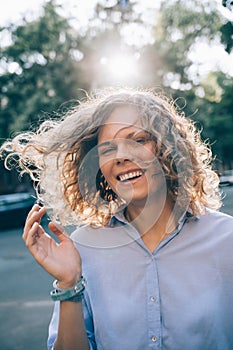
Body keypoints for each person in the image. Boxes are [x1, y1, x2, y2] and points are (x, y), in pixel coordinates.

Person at [1, 88, 233, 350]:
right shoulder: (83, 248)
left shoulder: (227, 240)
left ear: (169, 148)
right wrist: (69, 284)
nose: (121, 156)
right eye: (108, 148)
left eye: (138, 139)